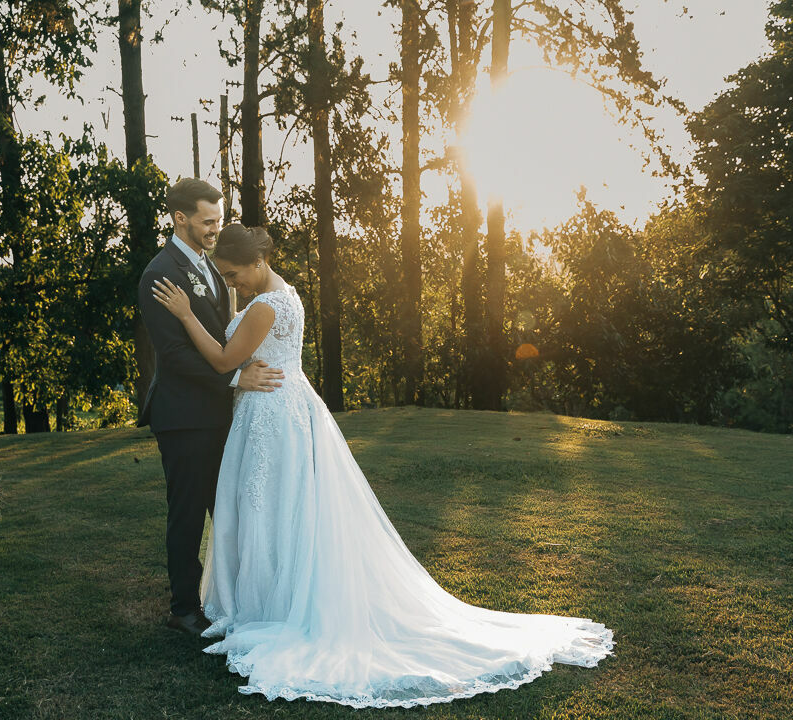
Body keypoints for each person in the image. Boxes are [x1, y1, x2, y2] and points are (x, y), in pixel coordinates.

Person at [150, 222, 614, 708]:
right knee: (281, 508)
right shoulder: (286, 293)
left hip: (271, 414)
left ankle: (274, 606)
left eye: (233, 274)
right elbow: (244, 346)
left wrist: (185, 314)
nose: (232, 284)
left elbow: (224, 361)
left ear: (258, 261)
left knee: (269, 507)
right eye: (225, 276)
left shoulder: (266, 306)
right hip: (282, 409)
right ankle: (272, 598)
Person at [137, 179, 285, 636]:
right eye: (207, 221)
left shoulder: (211, 264)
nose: (215, 229)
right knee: (187, 513)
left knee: (231, 510)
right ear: (180, 218)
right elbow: (174, 355)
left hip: (221, 413)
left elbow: (224, 331)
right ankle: (184, 609)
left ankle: (235, 599)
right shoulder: (159, 274)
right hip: (183, 417)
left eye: (219, 220)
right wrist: (236, 377)